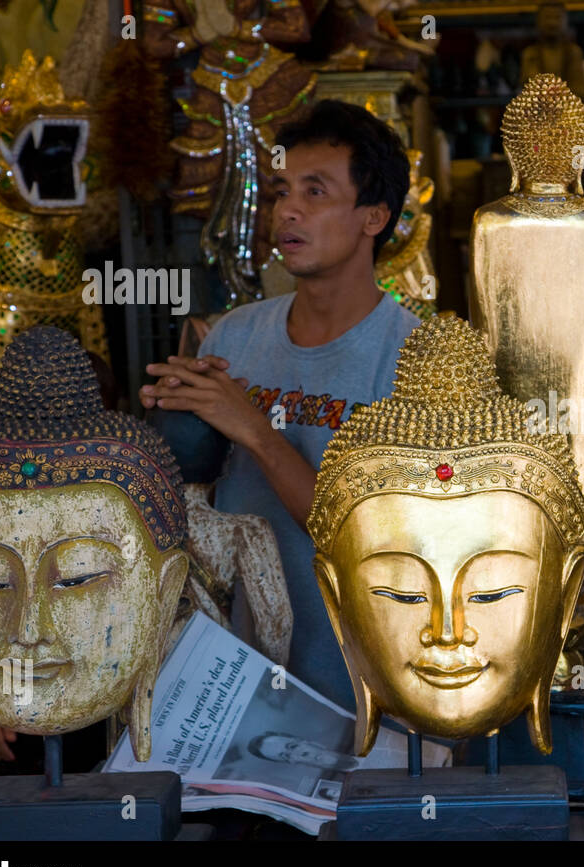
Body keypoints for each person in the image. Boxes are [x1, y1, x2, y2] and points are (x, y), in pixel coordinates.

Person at [141, 99, 421, 710]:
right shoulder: (234, 337)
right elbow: (191, 503)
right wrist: (166, 423)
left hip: (364, 694)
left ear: (374, 217)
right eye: (279, 191)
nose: (286, 211)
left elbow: (368, 541)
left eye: (314, 192)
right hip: (235, 682)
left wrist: (258, 432)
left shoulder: (413, 360)